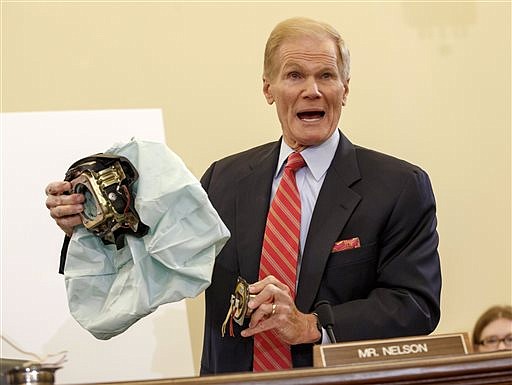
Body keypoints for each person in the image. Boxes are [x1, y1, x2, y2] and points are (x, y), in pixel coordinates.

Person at [45, 17, 441, 374]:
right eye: (295, 75)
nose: (313, 90)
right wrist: (86, 224)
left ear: (345, 88)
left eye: (327, 75)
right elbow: (152, 265)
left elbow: (416, 306)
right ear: (268, 89)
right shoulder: (223, 179)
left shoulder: (398, 185)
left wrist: (310, 325)